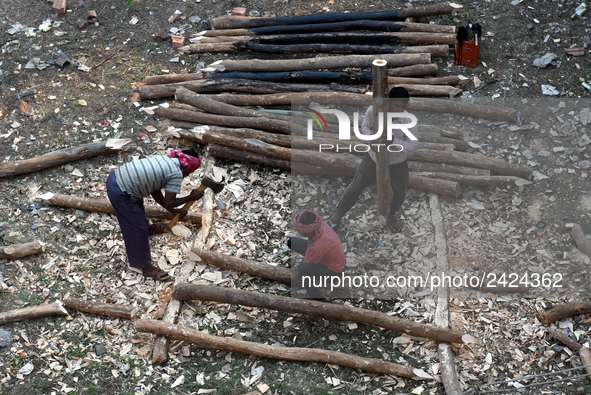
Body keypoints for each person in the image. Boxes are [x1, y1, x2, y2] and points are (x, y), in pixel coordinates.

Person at [328, 87, 419, 233]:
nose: (400, 110)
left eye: (403, 107)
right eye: (397, 106)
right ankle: (336, 215)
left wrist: (394, 140)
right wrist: (371, 140)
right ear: (389, 102)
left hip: (397, 163)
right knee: (356, 186)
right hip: (372, 159)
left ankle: (389, 216)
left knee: (399, 194)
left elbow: (413, 146)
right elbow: (365, 127)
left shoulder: (409, 121)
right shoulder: (373, 111)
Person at [106, 149, 204, 281]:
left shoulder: (167, 160)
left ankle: (148, 228)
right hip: (120, 190)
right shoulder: (176, 173)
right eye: (191, 172)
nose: (188, 175)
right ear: (187, 167)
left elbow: (155, 189)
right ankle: (144, 266)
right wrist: (190, 197)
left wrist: (172, 210)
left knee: (137, 209)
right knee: (136, 228)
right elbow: (171, 202)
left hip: (119, 178)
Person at [289, 210, 346, 299]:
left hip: (334, 272)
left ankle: (313, 295)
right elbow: (310, 247)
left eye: (300, 231)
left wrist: (299, 274)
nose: (298, 231)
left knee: (303, 269)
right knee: (291, 242)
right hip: (325, 255)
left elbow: (310, 263)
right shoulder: (319, 225)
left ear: (307, 232)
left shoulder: (318, 246)